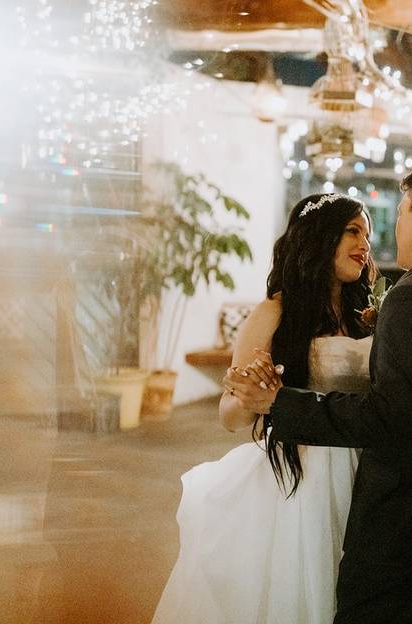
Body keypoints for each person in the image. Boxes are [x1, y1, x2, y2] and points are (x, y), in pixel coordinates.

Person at [226, 158, 412, 624]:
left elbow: (391, 415)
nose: (382, 235)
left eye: (400, 212)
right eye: (353, 232)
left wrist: (279, 402)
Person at [151, 194, 377, 624]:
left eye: (367, 233)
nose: (364, 243)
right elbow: (228, 416)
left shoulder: (364, 314)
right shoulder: (275, 312)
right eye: (353, 231)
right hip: (305, 472)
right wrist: (254, 395)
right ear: (318, 238)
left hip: (366, 460)